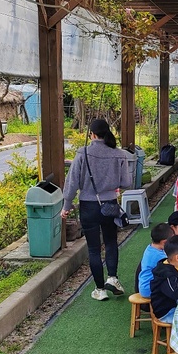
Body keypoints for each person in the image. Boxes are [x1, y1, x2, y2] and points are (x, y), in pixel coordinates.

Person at [62, 119, 133, 302]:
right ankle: (113, 278)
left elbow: (72, 182)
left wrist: (66, 205)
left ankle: (100, 290)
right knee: (111, 242)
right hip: (110, 205)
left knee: (94, 249)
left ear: (92, 134)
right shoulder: (119, 154)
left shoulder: (83, 153)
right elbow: (126, 182)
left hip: (88, 206)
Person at [136, 223, 173, 298]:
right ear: (164, 242)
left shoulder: (150, 248)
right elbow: (173, 268)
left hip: (144, 286)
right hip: (150, 289)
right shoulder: (159, 256)